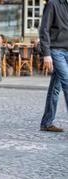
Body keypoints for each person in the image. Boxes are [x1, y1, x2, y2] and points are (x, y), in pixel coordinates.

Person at [39, 0, 68, 132]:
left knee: (55, 88)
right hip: (56, 51)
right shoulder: (52, 4)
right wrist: (46, 53)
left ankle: (46, 122)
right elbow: (44, 29)